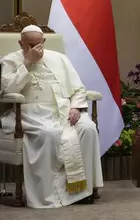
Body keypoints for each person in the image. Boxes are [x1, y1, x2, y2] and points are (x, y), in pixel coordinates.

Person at [0, 25, 103, 208]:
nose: (35, 49)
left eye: (38, 44)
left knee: (88, 129)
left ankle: (83, 191)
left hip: (64, 110)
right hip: (30, 113)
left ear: (44, 42)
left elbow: (78, 88)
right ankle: (49, 194)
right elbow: (7, 91)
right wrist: (27, 64)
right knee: (49, 134)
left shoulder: (60, 59)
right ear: (20, 43)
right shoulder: (10, 60)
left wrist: (76, 107)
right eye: (30, 45)